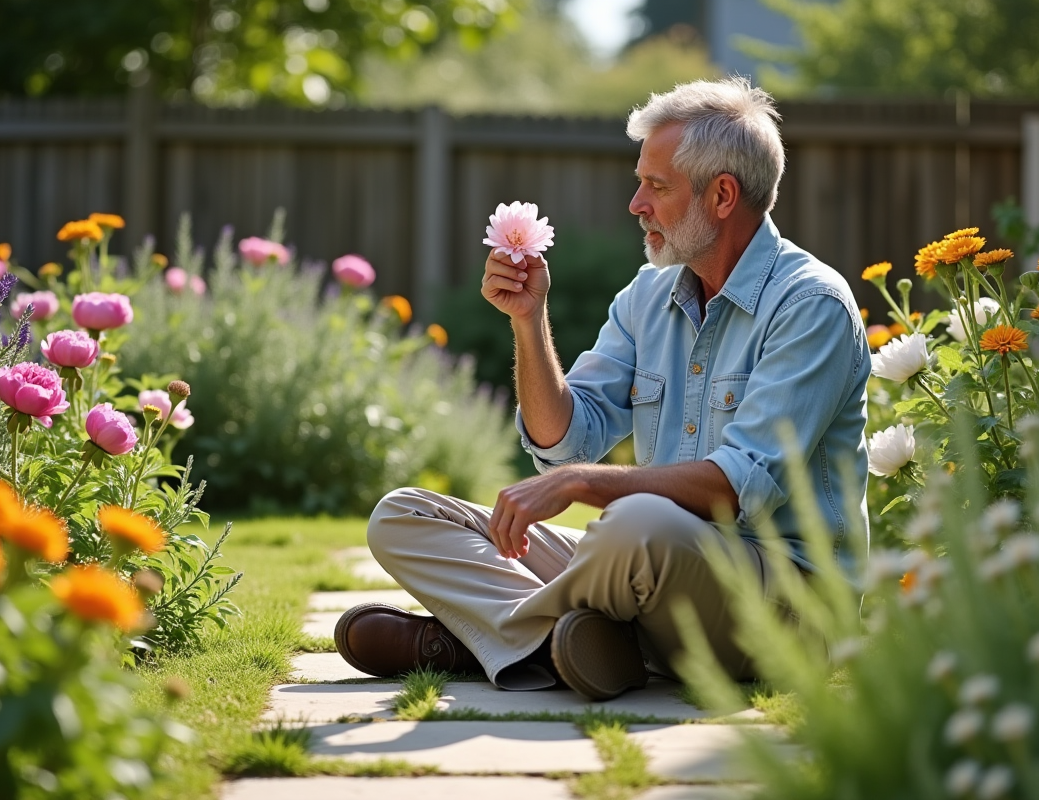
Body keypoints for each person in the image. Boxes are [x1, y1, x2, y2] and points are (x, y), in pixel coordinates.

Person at [334, 77, 870, 701]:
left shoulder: (812, 306)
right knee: (403, 514)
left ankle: (475, 641)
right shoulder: (647, 296)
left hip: (782, 607)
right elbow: (567, 440)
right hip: (653, 567)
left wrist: (588, 482)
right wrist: (529, 323)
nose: (636, 203)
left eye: (657, 186)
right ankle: (564, 643)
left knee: (631, 523)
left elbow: (734, 487)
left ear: (722, 195)